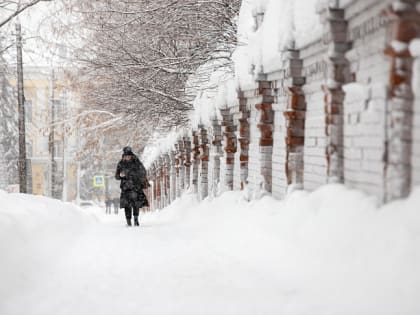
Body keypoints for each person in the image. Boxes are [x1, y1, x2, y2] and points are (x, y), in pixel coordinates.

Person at [115, 146, 149, 226]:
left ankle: (136, 219)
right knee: (127, 206)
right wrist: (120, 175)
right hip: (126, 188)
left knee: (136, 204)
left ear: (131, 155)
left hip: (135, 187)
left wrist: (136, 176)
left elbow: (143, 171)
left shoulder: (136, 162)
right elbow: (116, 176)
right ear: (124, 156)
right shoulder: (121, 164)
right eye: (126, 156)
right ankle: (128, 221)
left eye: (129, 156)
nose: (128, 157)